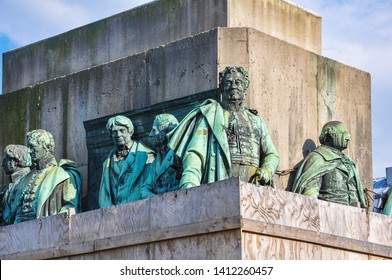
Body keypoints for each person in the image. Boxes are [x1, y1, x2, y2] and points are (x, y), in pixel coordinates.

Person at [168, 66, 280, 188]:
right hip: (222, 178)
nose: (233, 86)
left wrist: (267, 170)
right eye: (228, 83)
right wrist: (189, 181)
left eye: (238, 82)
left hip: (254, 182)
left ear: (245, 88)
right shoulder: (211, 114)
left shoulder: (257, 120)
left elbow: (271, 153)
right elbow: (195, 152)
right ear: (221, 89)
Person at [291, 121, 367, 208]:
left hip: (354, 216)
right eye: (344, 133)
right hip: (328, 212)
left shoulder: (348, 162)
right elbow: (310, 192)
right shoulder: (318, 157)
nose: (348, 138)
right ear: (330, 135)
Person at [14, 129, 82, 223]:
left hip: (46, 228)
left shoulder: (63, 175)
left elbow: (69, 207)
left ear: (45, 147)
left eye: (32, 146)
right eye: (28, 147)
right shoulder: (25, 179)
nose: (29, 151)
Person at [98, 115, 155, 208]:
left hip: (139, 210)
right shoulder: (107, 164)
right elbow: (104, 194)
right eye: (114, 132)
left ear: (130, 132)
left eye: (122, 131)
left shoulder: (146, 156)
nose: (118, 135)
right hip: (113, 216)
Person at [141, 113, 182, 198]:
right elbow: (145, 187)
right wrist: (155, 199)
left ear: (164, 132)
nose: (150, 134)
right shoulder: (157, 158)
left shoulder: (179, 154)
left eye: (154, 130)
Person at [1, 145, 32, 225]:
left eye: (5, 160)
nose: (2, 164)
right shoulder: (8, 187)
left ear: (15, 162)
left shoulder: (30, 181)